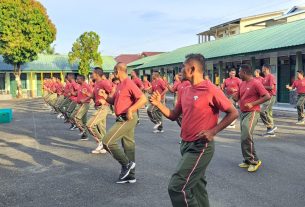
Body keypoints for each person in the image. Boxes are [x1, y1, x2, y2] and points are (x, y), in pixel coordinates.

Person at [150, 54, 238, 207]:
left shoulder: (211, 89)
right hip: (185, 144)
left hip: (200, 146)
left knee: (177, 187)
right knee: (197, 186)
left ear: (192, 69)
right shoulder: (184, 89)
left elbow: (233, 112)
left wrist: (213, 131)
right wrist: (158, 104)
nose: (181, 70)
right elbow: (173, 115)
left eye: (183, 67)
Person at [100, 62, 147, 184]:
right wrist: (105, 96)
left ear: (117, 71)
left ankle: (126, 164)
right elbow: (113, 101)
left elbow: (143, 99)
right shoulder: (120, 85)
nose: (113, 73)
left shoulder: (128, 83)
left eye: (114, 71)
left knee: (107, 142)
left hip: (127, 118)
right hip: (121, 117)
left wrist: (131, 109)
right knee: (129, 146)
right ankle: (130, 176)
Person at [233, 64, 270, 172]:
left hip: (252, 112)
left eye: (239, 72)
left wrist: (253, 103)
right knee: (244, 136)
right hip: (243, 112)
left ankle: (254, 161)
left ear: (244, 72)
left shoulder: (256, 83)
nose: (238, 74)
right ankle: (247, 160)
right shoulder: (242, 83)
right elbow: (237, 96)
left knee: (246, 135)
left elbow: (267, 96)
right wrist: (230, 100)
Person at [86, 67, 113, 154]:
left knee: (90, 125)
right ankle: (104, 146)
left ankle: (100, 142)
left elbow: (112, 93)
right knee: (101, 129)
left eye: (92, 73)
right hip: (98, 107)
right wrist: (88, 96)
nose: (91, 75)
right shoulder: (97, 83)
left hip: (103, 108)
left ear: (97, 74)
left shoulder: (104, 82)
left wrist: (105, 99)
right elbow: (93, 96)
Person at [70, 74, 92, 141]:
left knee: (75, 117)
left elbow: (91, 95)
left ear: (82, 79)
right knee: (83, 120)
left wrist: (84, 100)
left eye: (78, 79)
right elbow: (77, 94)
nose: (77, 80)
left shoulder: (86, 86)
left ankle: (83, 131)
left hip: (84, 104)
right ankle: (84, 135)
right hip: (80, 104)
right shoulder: (80, 86)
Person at [260, 64, 277, 137]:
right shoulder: (264, 78)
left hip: (270, 96)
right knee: (267, 113)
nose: (262, 69)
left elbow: (271, 87)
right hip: (266, 97)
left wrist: (262, 86)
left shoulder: (271, 76)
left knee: (262, 111)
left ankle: (271, 128)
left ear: (266, 69)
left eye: (263, 68)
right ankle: (270, 130)